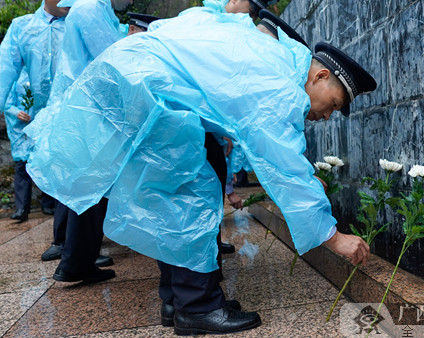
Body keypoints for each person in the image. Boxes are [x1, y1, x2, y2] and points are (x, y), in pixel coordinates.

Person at [26, 7, 375, 334]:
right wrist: (333, 237)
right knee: (189, 193)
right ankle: (196, 306)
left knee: (185, 179)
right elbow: (283, 163)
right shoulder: (282, 85)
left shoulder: (275, 56)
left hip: (132, 75)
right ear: (320, 75)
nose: (325, 116)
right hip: (143, 88)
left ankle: (177, 299)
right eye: (331, 105)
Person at [28, 0, 133, 282]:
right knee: (89, 189)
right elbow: (114, 57)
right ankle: (74, 263)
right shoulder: (90, 8)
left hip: (88, 110)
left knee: (88, 189)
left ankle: (76, 262)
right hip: (89, 113)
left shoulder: (91, 7)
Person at [0, 0, 70, 222]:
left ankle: (73, 244)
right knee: (34, 166)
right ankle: (64, 242)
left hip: (73, 116)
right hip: (35, 121)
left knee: (69, 173)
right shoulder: (22, 27)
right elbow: (4, 71)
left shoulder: (80, 22)